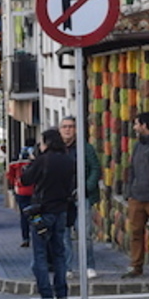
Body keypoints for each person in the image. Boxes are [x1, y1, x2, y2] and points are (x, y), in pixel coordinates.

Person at [21, 128, 75, 299]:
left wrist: (31, 163)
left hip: (42, 212)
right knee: (59, 254)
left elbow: (25, 179)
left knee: (40, 255)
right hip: (61, 211)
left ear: (46, 143)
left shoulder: (43, 161)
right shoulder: (69, 161)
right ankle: (61, 294)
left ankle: (46, 296)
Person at [123, 112, 149, 278]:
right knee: (135, 232)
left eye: (136, 124)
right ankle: (136, 266)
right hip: (137, 197)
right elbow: (131, 169)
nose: (134, 127)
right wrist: (129, 192)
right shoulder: (138, 145)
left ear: (144, 126)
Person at [59, 116, 101, 279]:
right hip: (62, 197)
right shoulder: (56, 149)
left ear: (76, 129)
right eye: (64, 127)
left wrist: (85, 188)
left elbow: (95, 169)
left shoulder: (85, 148)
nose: (68, 130)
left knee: (84, 233)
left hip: (82, 196)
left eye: (71, 126)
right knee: (64, 234)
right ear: (60, 130)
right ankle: (67, 267)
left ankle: (88, 265)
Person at [5, 143, 36, 247]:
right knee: (36, 214)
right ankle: (37, 236)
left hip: (21, 191)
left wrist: (15, 183)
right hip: (34, 191)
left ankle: (25, 238)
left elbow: (9, 176)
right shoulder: (35, 162)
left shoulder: (15, 164)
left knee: (24, 215)